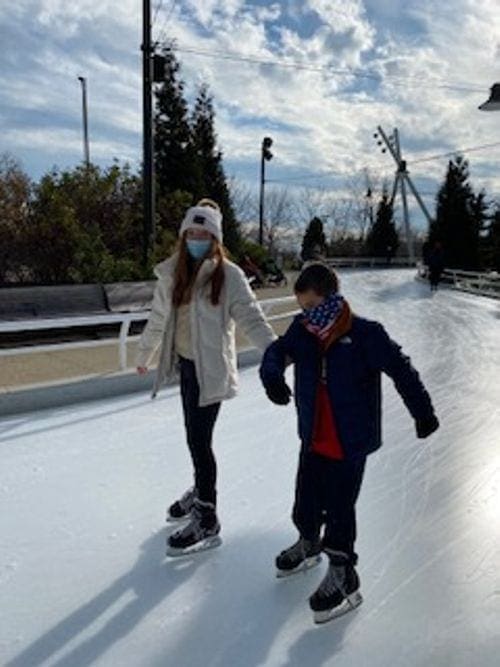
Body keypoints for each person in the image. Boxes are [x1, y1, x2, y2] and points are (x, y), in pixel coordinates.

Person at [259, 263, 439, 624]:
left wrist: (423, 412)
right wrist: (272, 376)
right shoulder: (303, 329)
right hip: (313, 435)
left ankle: (344, 574)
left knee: (341, 510)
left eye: (310, 306)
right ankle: (308, 542)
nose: (305, 314)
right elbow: (278, 351)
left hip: (348, 441)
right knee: (305, 498)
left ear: (329, 298)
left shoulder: (366, 334)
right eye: (302, 307)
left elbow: (402, 370)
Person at [137, 199, 276, 556]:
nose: (196, 238)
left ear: (215, 238)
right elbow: (157, 318)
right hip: (185, 366)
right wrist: (145, 353)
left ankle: (207, 516)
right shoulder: (173, 274)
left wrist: (276, 352)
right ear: (183, 236)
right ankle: (200, 491)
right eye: (191, 233)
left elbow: (251, 317)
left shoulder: (228, 275)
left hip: (210, 370)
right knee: (194, 438)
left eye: (204, 233)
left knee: (200, 442)